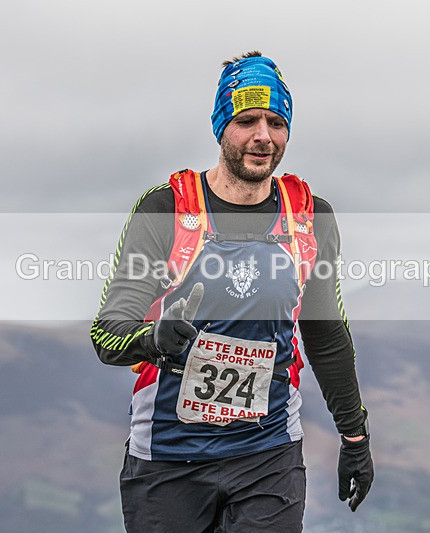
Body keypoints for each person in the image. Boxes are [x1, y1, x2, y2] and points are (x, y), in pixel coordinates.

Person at [91, 51, 373, 532]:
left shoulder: (309, 218)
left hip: (268, 455)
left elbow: (325, 336)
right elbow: (107, 333)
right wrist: (152, 339)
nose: (264, 136)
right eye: (247, 120)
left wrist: (354, 437)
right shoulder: (166, 210)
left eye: (276, 122)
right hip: (168, 457)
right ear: (221, 126)